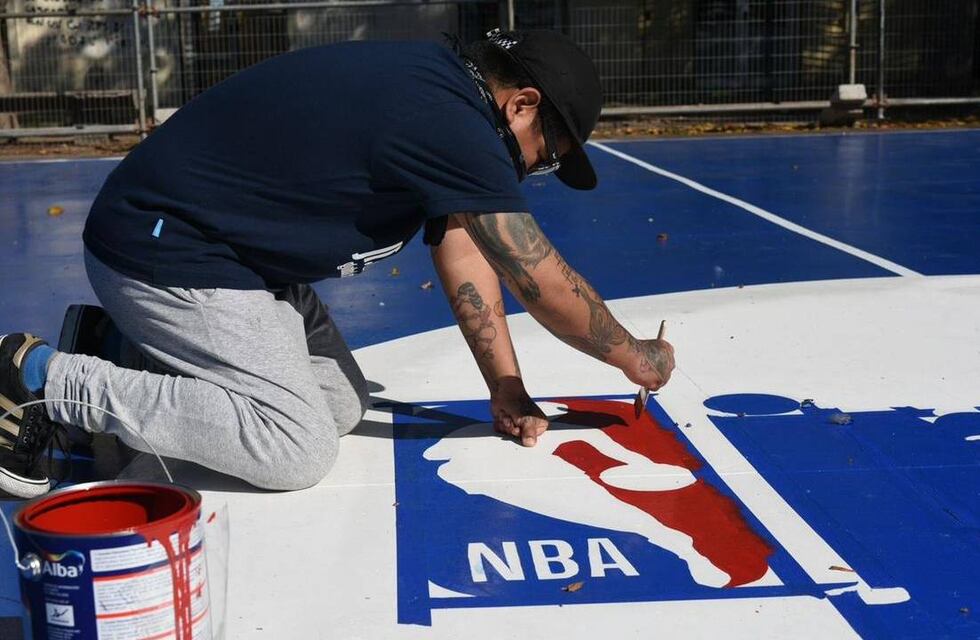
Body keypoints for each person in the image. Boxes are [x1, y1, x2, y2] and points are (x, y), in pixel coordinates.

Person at [0, 29, 674, 498]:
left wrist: (505, 385)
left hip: (244, 258)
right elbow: (541, 280)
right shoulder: (453, 122)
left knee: (340, 406)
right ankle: (36, 377)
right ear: (521, 104)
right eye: (546, 156)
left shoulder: (449, 103)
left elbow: (467, 247)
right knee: (293, 447)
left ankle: (118, 344)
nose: (534, 172)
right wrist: (635, 358)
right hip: (169, 252)